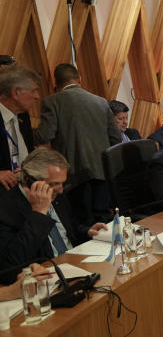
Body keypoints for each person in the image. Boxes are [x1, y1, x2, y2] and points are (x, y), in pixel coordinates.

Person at [0, 149, 106, 285]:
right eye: (53, 184)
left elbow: (69, 229)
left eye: (62, 183)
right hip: (46, 280)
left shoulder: (57, 196)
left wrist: (86, 231)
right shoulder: (5, 209)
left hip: (76, 267)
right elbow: (11, 265)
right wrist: (38, 213)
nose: (61, 190)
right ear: (29, 180)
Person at [35, 63, 122, 225]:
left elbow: (44, 136)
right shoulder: (101, 102)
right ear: (79, 79)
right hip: (102, 174)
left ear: (56, 84)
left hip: (72, 176)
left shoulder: (51, 102)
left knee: (81, 225)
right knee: (103, 224)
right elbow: (116, 138)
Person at [0, 64, 41, 190]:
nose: (37, 96)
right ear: (16, 92)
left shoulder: (23, 116)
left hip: (23, 190)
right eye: (33, 90)